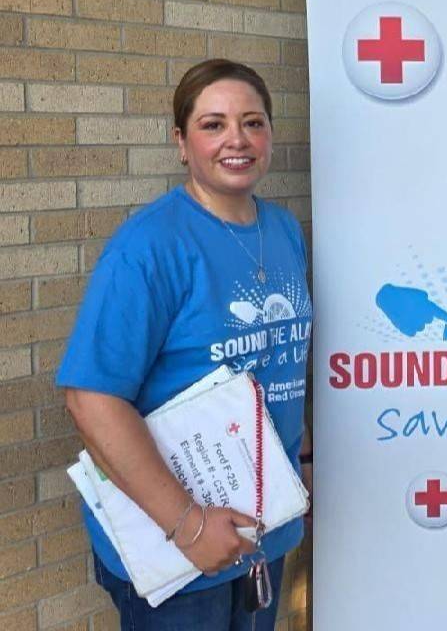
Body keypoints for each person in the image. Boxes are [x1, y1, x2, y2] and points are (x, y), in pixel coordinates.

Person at [58, 59, 313, 630]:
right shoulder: (149, 248)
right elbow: (90, 398)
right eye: (213, 124)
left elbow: (283, 362)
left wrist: (304, 463)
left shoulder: (282, 230)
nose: (237, 140)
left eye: (253, 122)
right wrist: (189, 527)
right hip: (180, 547)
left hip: (261, 530)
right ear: (181, 141)